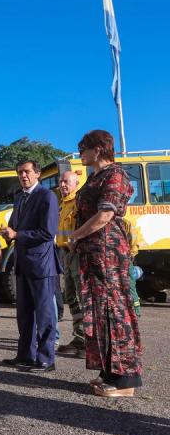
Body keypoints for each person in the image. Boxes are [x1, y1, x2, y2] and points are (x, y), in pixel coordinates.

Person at [69, 129, 142, 396]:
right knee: (100, 311)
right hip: (94, 254)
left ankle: (126, 379)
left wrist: (75, 236)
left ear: (98, 149)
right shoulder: (95, 177)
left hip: (108, 252)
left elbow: (105, 215)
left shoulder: (115, 174)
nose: (80, 154)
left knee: (115, 309)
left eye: (83, 149)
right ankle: (109, 371)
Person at [0, 159, 61, 373]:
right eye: (19, 173)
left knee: (44, 314)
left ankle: (46, 359)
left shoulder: (47, 196)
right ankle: (26, 355)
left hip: (42, 265)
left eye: (26, 172)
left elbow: (47, 232)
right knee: (24, 314)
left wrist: (18, 234)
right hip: (22, 262)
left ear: (37, 174)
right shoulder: (19, 197)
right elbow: (16, 227)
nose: (23, 176)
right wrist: (8, 233)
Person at [55, 171, 85, 358]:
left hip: (77, 254)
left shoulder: (79, 202)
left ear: (76, 183)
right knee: (71, 296)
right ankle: (79, 337)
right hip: (65, 253)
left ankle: (88, 340)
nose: (62, 185)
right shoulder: (62, 204)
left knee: (83, 296)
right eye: (61, 182)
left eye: (66, 182)